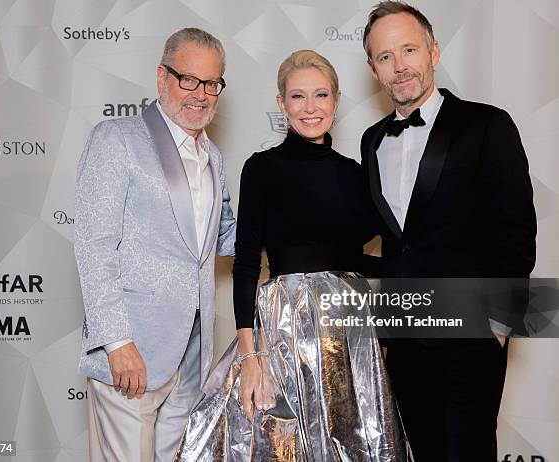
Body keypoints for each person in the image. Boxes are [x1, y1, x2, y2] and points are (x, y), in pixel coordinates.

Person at [175, 50, 411, 461]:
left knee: (354, 446)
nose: (310, 107)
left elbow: (360, 259)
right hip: (284, 331)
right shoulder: (262, 169)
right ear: (282, 104)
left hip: (348, 334)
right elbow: (246, 264)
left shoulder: (356, 174)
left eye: (320, 95)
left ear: (336, 101)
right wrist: (250, 357)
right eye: (297, 97)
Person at [360, 2, 537, 461]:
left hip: (470, 337)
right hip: (402, 342)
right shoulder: (372, 140)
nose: (400, 66)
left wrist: (501, 323)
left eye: (409, 49)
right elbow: (394, 241)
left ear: (433, 51)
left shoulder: (486, 124)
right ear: (373, 68)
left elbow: (515, 229)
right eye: (385, 56)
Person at [74, 27, 236, 461]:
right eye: (189, 79)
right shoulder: (117, 138)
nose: (201, 94)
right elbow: (94, 247)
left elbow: (223, 237)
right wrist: (116, 342)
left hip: (192, 354)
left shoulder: (213, 156)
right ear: (162, 77)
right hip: (132, 353)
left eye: (212, 84)